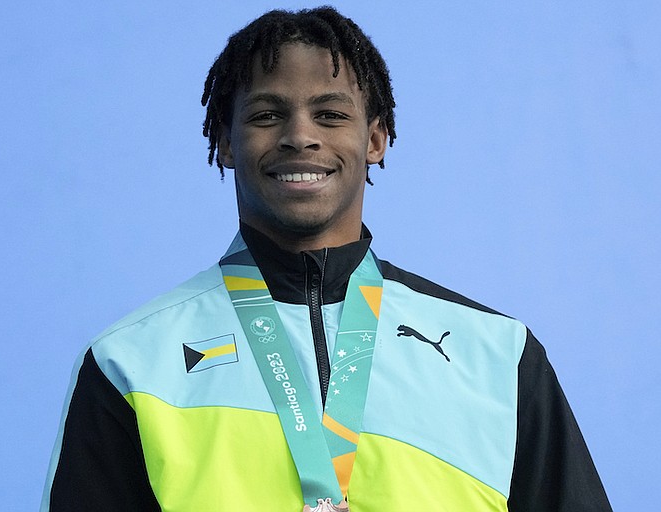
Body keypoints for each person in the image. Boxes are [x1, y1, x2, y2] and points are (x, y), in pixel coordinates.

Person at [42, 6, 612, 511]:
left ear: (376, 139)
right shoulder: (133, 362)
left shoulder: (499, 355)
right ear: (223, 140)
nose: (299, 136)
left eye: (331, 114)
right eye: (266, 115)